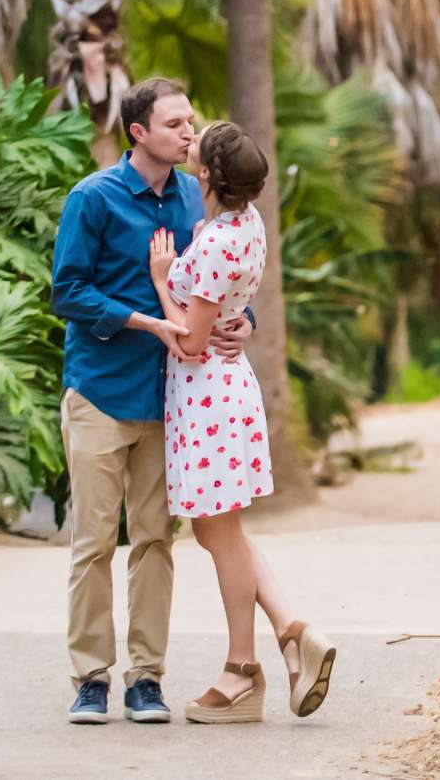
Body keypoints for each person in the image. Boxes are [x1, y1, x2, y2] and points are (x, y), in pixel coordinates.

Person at [49, 77, 254, 726]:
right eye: (174, 124)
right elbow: (68, 292)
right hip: (101, 394)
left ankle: (146, 679)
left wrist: (246, 323)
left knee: (155, 544)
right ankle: (90, 678)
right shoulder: (93, 199)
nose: (188, 133)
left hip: (170, 405)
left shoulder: (198, 205)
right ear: (138, 133)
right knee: (91, 544)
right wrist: (146, 322)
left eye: (191, 122)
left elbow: (220, 287)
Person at [149, 120, 336, 725]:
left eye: (197, 141)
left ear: (206, 175)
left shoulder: (208, 247)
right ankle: (287, 633)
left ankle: (242, 672)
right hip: (226, 392)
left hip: (206, 398)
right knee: (217, 533)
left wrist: (161, 280)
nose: (190, 136)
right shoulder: (245, 225)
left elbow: (191, 342)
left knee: (218, 535)